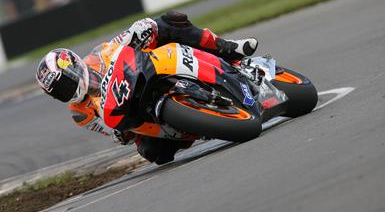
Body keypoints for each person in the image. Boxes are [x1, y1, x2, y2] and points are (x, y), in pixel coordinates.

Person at [36, 12, 258, 164]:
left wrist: (140, 30)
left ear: (74, 65)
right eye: (59, 92)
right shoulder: (79, 113)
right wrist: (121, 136)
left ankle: (227, 48)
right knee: (153, 154)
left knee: (171, 21)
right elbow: (112, 131)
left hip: (151, 72)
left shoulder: (99, 54)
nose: (67, 91)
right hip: (139, 117)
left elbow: (127, 38)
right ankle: (200, 124)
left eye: (64, 83)